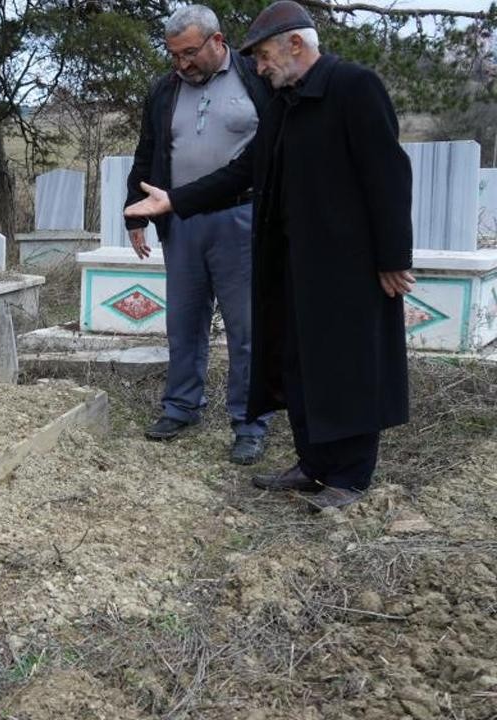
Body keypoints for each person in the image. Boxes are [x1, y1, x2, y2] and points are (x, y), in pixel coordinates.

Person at [125, 1, 415, 511]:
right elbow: (245, 171)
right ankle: (313, 464)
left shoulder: (353, 87)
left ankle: (349, 477)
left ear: (296, 45)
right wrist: (175, 200)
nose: (258, 68)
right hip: (292, 261)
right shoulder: (285, 101)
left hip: (349, 265)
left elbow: (388, 175)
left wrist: (393, 255)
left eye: (262, 57)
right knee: (300, 363)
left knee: (346, 366)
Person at [124, 5, 272, 465]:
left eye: (190, 53)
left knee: (246, 327)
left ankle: (249, 422)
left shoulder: (256, 78)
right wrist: (134, 214)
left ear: (217, 41)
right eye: (174, 55)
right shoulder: (165, 90)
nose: (182, 63)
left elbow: (278, 147)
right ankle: (182, 406)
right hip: (181, 221)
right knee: (183, 323)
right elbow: (148, 150)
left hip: (241, 218)